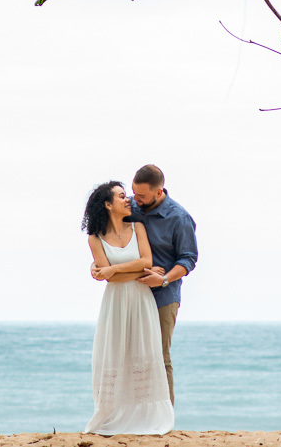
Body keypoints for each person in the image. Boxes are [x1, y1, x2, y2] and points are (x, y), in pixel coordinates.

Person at [91, 164, 198, 406]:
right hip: (128, 293)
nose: (134, 200)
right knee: (128, 356)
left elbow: (188, 259)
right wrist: (97, 263)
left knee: (159, 356)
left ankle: (163, 414)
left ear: (158, 192)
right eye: (132, 193)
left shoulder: (179, 218)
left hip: (163, 294)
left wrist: (164, 278)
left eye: (141, 196)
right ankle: (132, 412)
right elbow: (113, 237)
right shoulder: (133, 207)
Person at [81, 181, 174, 435]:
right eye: (121, 196)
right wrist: (119, 272)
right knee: (115, 354)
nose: (127, 200)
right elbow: (111, 278)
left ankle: (146, 417)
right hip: (116, 303)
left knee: (143, 352)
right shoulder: (95, 238)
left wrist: (114, 268)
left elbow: (147, 261)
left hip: (142, 300)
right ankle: (113, 415)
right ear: (108, 204)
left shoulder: (138, 227)